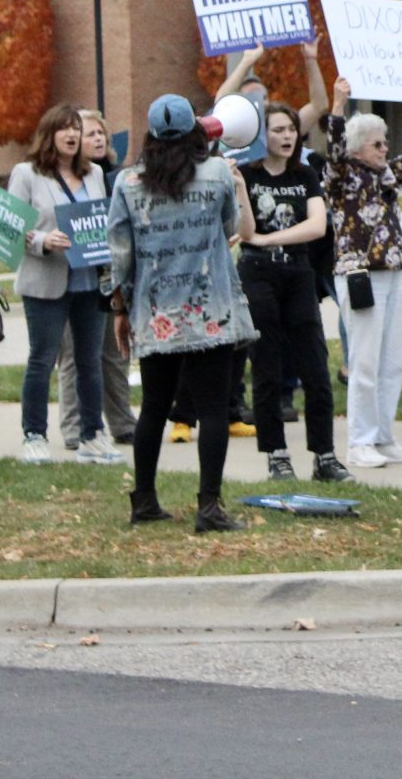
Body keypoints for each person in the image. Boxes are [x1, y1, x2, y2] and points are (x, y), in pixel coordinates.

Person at [109, 95, 253, 531]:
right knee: (212, 409)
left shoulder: (127, 184)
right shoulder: (216, 174)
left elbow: (119, 253)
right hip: (211, 309)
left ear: (150, 135)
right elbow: (231, 228)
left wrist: (119, 309)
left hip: (156, 312)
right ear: (196, 129)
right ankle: (209, 506)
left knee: (153, 406)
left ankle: (144, 500)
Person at [323, 77, 402, 467]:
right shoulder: (341, 176)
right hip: (360, 274)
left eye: (385, 142)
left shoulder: (386, 175)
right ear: (358, 147)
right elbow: (333, 150)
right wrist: (338, 105)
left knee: (392, 358)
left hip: (393, 271)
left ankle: (383, 435)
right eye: (378, 144)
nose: (385, 148)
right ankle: (359, 442)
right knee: (363, 359)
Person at [241, 101, 349, 482]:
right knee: (267, 367)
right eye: (277, 130)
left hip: (298, 273)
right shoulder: (245, 175)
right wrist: (239, 190)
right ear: (261, 136)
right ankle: (276, 454)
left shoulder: (306, 174)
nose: (287, 137)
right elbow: (242, 229)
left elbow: (317, 226)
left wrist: (268, 238)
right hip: (257, 275)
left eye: (291, 129)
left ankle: (325, 455)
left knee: (315, 367)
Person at [8, 104, 120, 466]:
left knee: (90, 360)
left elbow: (104, 219)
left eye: (77, 129)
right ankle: (34, 435)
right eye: (65, 129)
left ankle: (92, 434)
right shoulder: (27, 174)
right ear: (50, 133)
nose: (73, 135)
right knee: (42, 360)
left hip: (88, 279)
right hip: (46, 280)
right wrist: (42, 240)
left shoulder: (95, 175)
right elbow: (10, 226)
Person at [58, 109, 137, 449]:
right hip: (73, 279)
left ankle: (122, 423)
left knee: (116, 352)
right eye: (89, 133)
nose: (97, 138)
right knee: (75, 355)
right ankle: (74, 427)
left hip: (112, 275)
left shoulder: (120, 178)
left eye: (100, 133)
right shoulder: (63, 180)